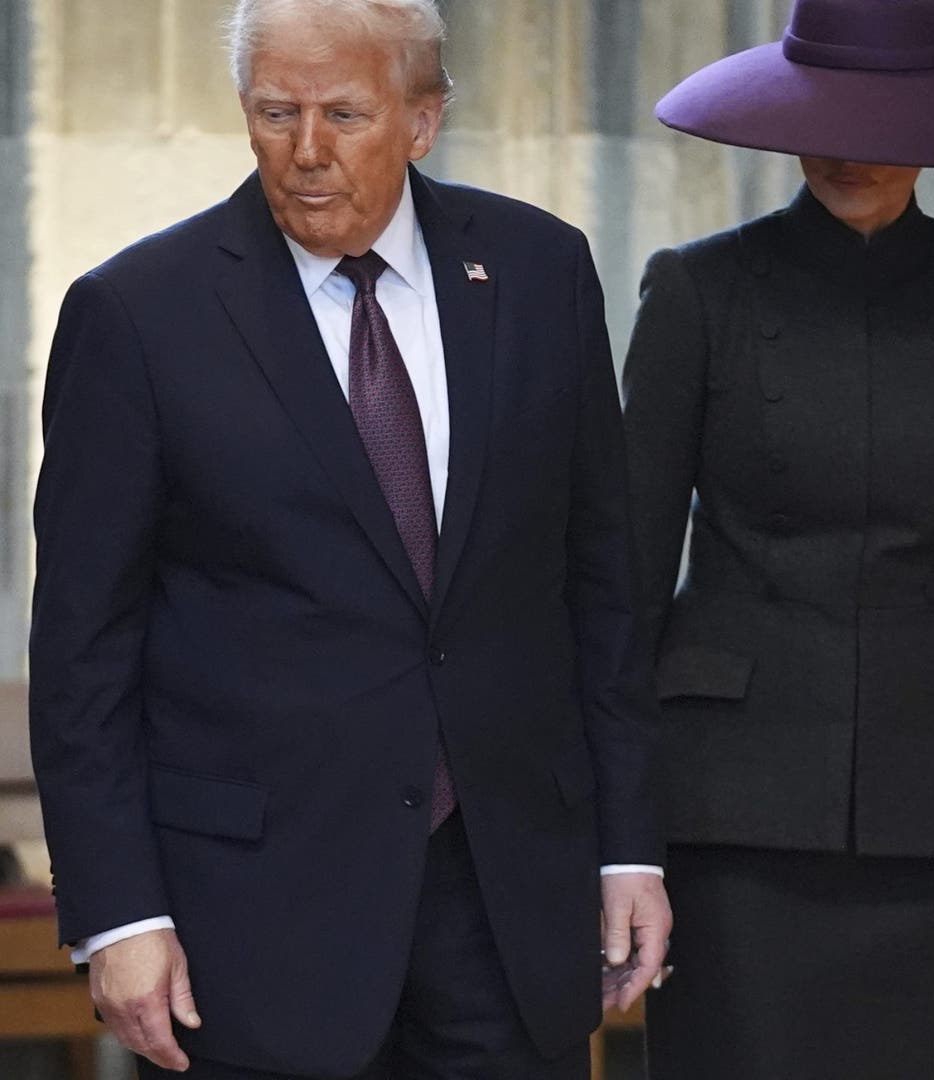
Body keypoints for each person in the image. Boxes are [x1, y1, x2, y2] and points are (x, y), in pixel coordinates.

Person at [28, 1, 669, 1076]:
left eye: (344, 113)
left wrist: (627, 845)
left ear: (424, 120)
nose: (308, 151)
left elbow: (599, 587)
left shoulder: (540, 270)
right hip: (254, 921)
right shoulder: (139, 314)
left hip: (505, 896)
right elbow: (83, 650)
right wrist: (120, 916)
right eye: (277, 113)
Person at [625, 1, 934, 1075]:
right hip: (727, 809)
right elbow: (628, 582)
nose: (848, 148)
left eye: (884, 119)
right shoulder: (700, 289)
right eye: (827, 115)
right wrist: (613, 844)